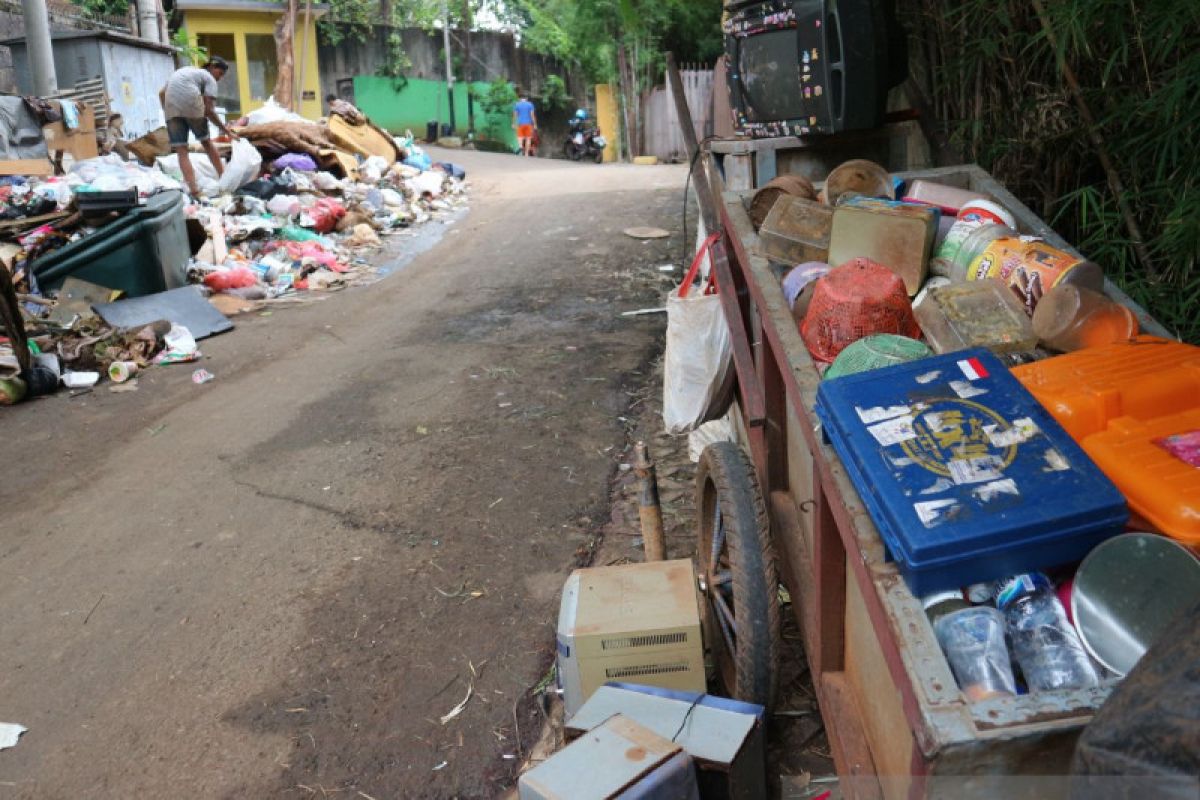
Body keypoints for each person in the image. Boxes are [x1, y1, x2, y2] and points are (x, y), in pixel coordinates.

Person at [159, 57, 237, 196]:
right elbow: (209, 110)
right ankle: (225, 182)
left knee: (181, 151)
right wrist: (225, 129)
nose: (219, 78)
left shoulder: (185, 72)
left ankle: (194, 190)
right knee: (206, 142)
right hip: (191, 105)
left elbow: (162, 92)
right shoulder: (209, 78)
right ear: (212, 67)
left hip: (171, 109)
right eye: (220, 74)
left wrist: (168, 112)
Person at [512, 93, 537, 157]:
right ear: (527, 98)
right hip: (528, 124)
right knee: (528, 139)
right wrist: (535, 124)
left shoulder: (517, 104)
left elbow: (515, 115)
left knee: (520, 137)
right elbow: (532, 115)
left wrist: (513, 123)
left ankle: (520, 147)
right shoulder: (530, 104)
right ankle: (526, 154)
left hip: (520, 124)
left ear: (520, 98)